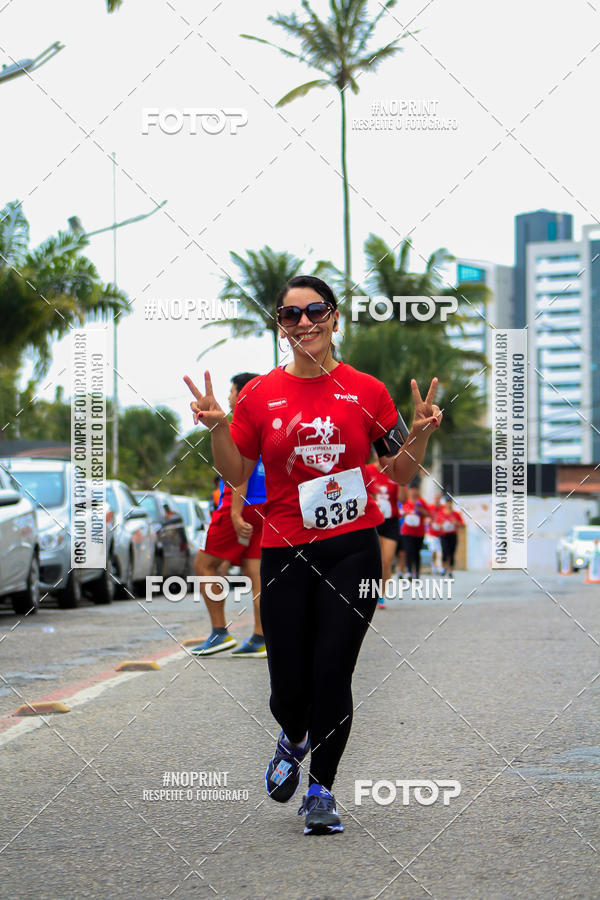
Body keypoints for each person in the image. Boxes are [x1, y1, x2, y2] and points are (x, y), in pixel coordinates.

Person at [184, 274, 442, 836]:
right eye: (290, 315)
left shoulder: (368, 391)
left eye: (315, 311)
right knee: (288, 689)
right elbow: (236, 472)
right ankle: (294, 736)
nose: (304, 323)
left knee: (333, 673)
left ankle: (321, 790)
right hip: (283, 549)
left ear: (334, 317)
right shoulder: (259, 395)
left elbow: (398, 471)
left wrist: (418, 434)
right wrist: (218, 428)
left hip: (352, 549)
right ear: (279, 325)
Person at [190, 373, 267, 658]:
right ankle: (261, 637)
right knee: (255, 573)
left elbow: (240, 474)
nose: (229, 397)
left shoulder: (236, 426)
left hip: (239, 504)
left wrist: (235, 513)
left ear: (242, 394)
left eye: (232, 391)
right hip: (265, 506)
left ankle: (220, 632)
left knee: (204, 564)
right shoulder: (264, 423)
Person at [365, 456, 400, 609]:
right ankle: (368, 592)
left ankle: (381, 595)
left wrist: (402, 481)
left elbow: (403, 499)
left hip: (391, 521)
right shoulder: (367, 470)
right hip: (373, 519)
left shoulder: (394, 472)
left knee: (387, 560)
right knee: (375, 560)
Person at [400, 484, 431, 580]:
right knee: (408, 551)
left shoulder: (421, 502)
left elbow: (428, 514)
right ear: (409, 491)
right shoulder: (405, 501)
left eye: (415, 490)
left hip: (419, 532)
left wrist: (420, 510)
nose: (414, 492)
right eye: (412, 489)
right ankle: (409, 572)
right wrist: (405, 513)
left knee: (417, 552)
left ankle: (417, 573)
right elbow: (400, 514)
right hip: (407, 531)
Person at [437, 496, 465, 578]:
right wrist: (442, 525)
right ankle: (444, 567)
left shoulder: (455, 514)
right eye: (447, 502)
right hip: (444, 535)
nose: (448, 504)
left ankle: (450, 570)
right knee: (445, 551)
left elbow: (462, 524)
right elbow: (437, 524)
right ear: (445, 503)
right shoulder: (441, 513)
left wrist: (456, 523)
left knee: (452, 553)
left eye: (450, 502)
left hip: (452, 534)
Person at [427, 492, 443, 575]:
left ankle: (440, 567)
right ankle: (433, 566)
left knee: (440, 551)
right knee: (433, 551)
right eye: (436, 498)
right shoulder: (430, 508)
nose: (437, 500)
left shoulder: (443, 508)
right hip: (432, 533)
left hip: (441, 533)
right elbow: (426, 517)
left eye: (438, 498)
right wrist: (428, 521)